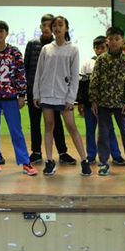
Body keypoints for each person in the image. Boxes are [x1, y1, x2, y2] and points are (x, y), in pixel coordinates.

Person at [33, 16, 92, 176]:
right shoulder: (46, 49)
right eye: (54, 25)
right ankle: (49, 161)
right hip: (46, 94)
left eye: (60, 25)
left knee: (71, 127)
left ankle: (84, 161)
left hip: (64, 95)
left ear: (66, 28)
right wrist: (36, 94)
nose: (57, 28)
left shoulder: (73, 49)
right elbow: (39, 72)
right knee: (49, 126)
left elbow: (74, 76)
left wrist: (71, 98)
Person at [0, 20, 38, 176]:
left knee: (16, 131)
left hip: (10, 97)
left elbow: (20, 75)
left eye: (1, 31)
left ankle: (25, 162)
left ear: (6, 33)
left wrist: (22, 95)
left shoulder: (15, 52)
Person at [89, 26, 125, 177]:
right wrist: (94, 101)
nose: (114, 42)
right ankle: (104, 163)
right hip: (103, 103)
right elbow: (94, 81)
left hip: (121, 104)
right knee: (103, 134)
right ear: (107, 41)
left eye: (117, 39)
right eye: (111, 39)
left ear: (122, 41)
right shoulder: (101, 59)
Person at [24, 13, 75, 166]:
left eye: (49, 25)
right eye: (44, 25)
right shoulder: (32, 44)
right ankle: (36, 152)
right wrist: (28, 90)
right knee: (35, 123)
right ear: (41, 27)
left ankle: (62, 152)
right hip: (34, 91)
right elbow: (26, 67)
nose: (47, 28)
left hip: (54, 92)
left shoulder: (59, 46)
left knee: (56, 123)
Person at [77, 35, 125, 165]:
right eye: (97, 48)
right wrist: (80, 102)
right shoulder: (87, 63)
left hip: (105, 105)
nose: (99, 50)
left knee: (109, 130)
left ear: (107, 46)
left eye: (102, 47)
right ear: (94, 49)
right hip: (89, 104)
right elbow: (82, 84)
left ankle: (116, 155)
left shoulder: (112, 62)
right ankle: (91, 155)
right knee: (90, 130)